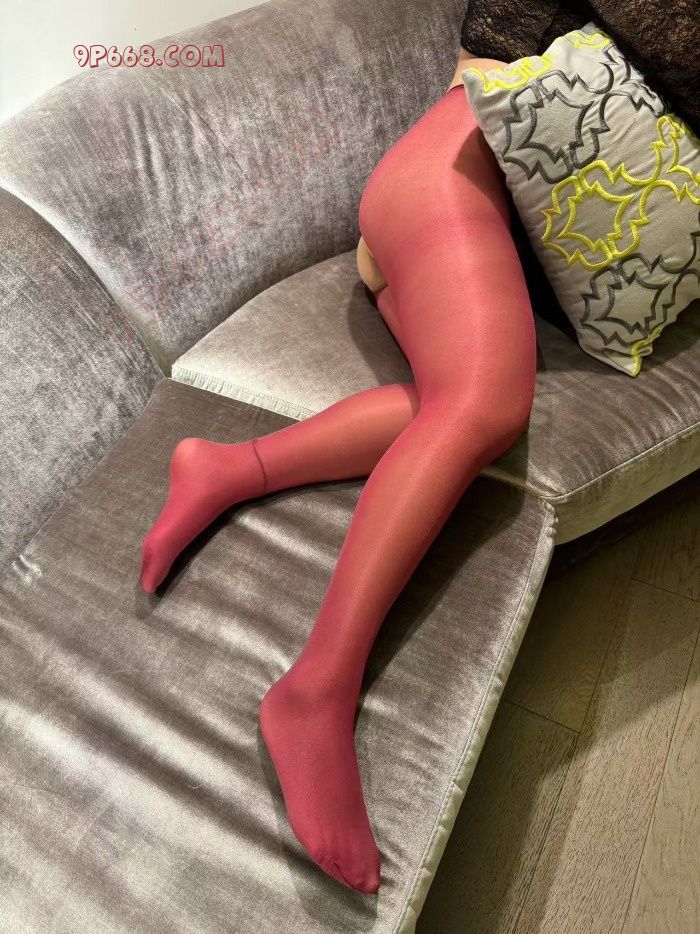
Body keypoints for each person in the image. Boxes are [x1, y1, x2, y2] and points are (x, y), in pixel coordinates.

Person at [138, 43, 537, 895]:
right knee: (487, 404)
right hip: (452, 173)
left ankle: (229, 467)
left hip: (461, 207)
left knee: (451, 414)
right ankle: (316, 691)